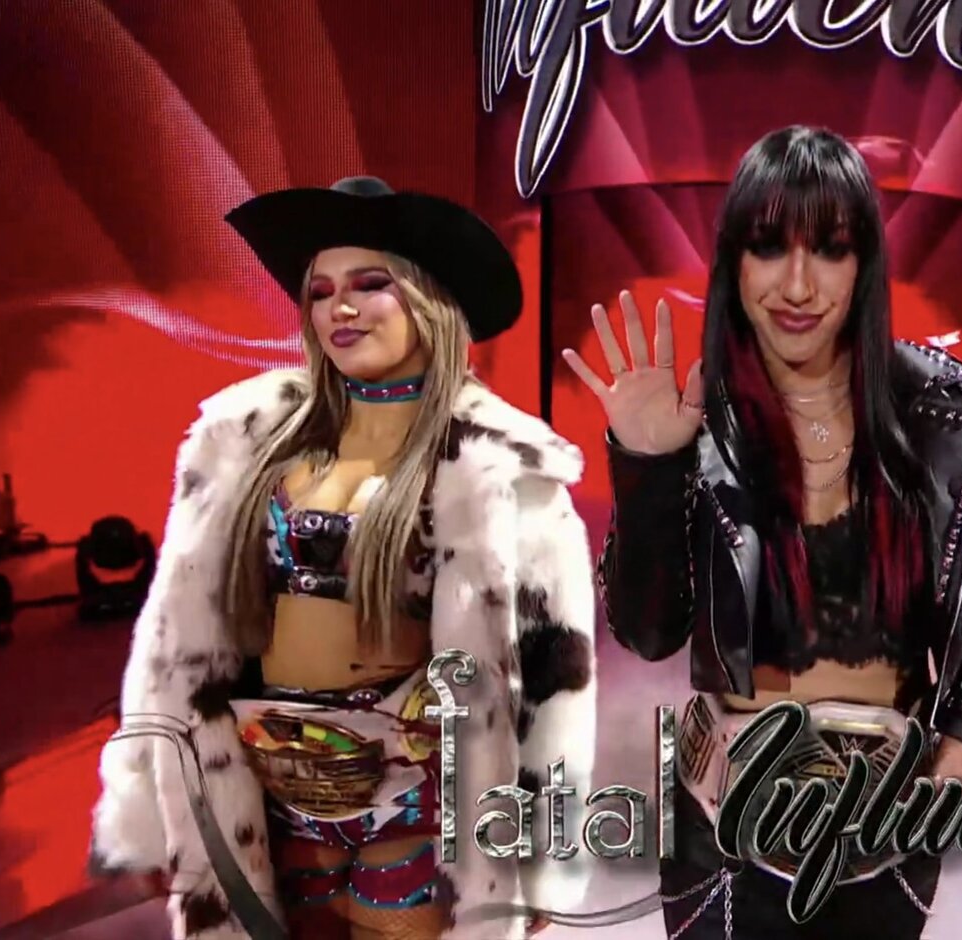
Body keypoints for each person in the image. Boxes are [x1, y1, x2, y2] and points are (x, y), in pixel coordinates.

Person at [563, 125, 962, 939]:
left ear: (865, 264)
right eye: (768, 248)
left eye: (829, 249)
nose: (797, 284)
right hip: (719, 831)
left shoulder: (957, 417)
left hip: (891, 829)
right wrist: (648, 466)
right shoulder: (697, 418)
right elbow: (647, 632)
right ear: (734, 263)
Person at [88, 176, 598, 940]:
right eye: (322, 292)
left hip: (418, 806)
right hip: (266, 801)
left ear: (429, 301)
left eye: (369, 285)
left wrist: (545, 853)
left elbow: (555, 678)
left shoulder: (498, 466)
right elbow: (171, 642)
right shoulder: (242, 444)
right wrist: (145, 795)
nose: (340, 308)